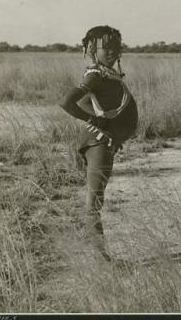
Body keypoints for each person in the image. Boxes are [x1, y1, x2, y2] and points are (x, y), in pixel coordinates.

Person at [59, 25, 138, 260]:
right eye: (108, 47)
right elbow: (67, 102)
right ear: (93, 49)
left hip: (103, 142)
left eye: (117, 46)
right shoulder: (95, 75)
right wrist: (95, 121)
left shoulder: (105, 74)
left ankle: (96, 252)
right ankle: (101, 261)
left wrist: (110, 126)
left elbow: (85, 102)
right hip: (98, 144)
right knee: (94, 202)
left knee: (95, 200)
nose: (114, 51)